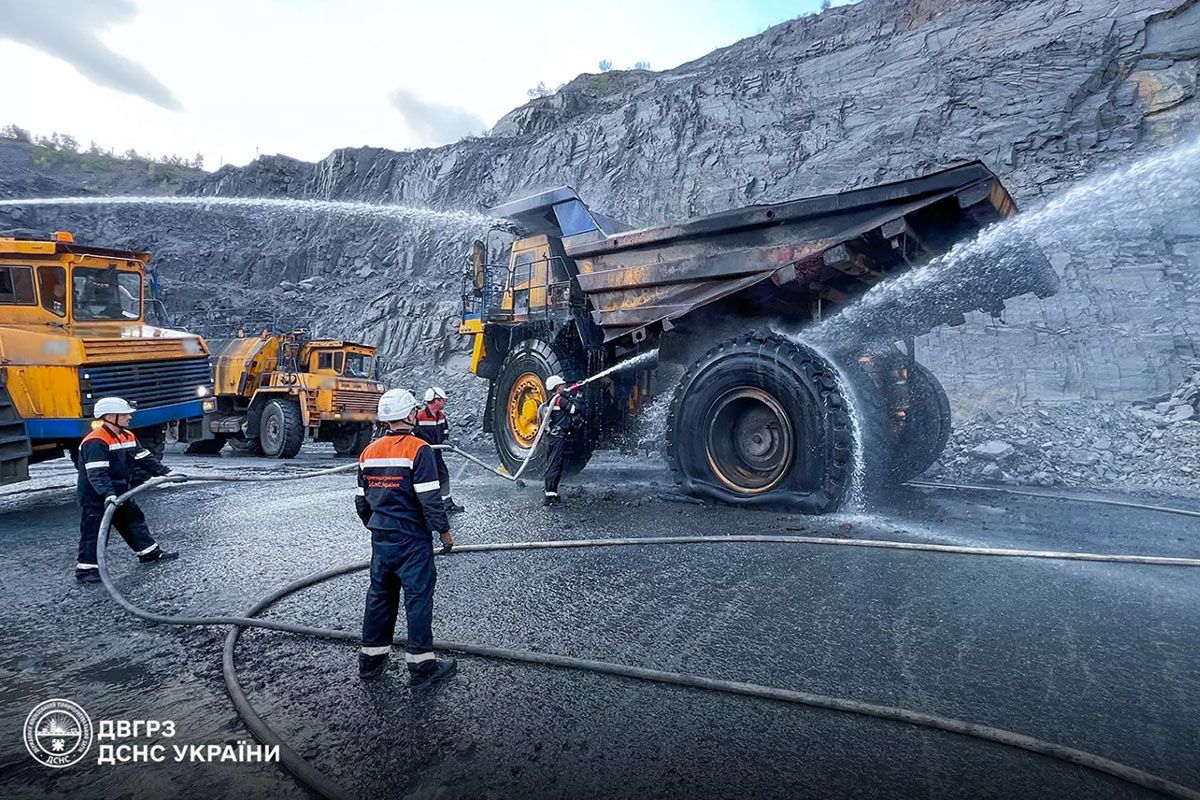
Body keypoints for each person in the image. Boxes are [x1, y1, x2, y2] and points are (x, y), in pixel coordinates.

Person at [355, 388, 457, 685]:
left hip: (382, 538)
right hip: (412, 539)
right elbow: (430, 499)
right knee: (418, 598)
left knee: (380, 596)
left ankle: (370, 662)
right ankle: (422, 667)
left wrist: (377, 525)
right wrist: (444, 531)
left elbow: (361, 501)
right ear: (411, 414)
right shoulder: (418, 449)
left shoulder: (369, 451)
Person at [75, 397, 180, 583]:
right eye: (124, 414)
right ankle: (86, 570)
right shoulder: (96, 441)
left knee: (133, 520)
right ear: (109, 417)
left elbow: (143, 458)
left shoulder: (127, 436)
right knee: (94, 531)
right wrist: (108, 494)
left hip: (121, 491)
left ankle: (149, 553)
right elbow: (97, 474)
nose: (129, 417)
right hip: (96, 496)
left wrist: (167, 472)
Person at [415, 386, 465, 513]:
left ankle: (446, 503)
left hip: (436, 453)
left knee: (443, 475)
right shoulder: (419, 416)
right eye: (443, 400)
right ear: (436, 400)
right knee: (425, 479)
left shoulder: (441, 416)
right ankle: (422, 506)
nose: (445, 402)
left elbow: (444, 434)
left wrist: (445, 441)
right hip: (422, 455)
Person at [539, 375, 580, 506]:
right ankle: (550, 498)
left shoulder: (553, 400)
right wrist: (575, 397)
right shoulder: (559, 400)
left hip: (552, 437)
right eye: (562, 385)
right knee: (554, 466)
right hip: (557, 437)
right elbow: (574, 410)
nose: (564, 387)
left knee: (554, 465)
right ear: (557, 388)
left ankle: (552, 494)